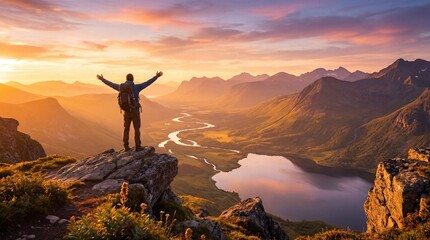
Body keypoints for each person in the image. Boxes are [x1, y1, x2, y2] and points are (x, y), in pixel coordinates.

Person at [97, 71, 163, 151]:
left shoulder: (121, 87)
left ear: (126, 79)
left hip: (126, 112)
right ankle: (138, 146)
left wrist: (102, 79)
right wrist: (156, 76)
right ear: (133, 80)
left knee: (126, 129)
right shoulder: (136, 87)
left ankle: (126, 146)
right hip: (135, 111)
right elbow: (147, 83)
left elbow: (111, 84)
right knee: (136, 129)